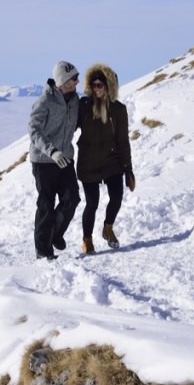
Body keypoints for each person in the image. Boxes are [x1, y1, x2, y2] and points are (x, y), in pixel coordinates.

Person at [76, 63, 133, 253]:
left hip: (111, 161)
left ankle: (108, 228)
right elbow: (68, 126)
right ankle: (87, 240)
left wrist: (128, 169)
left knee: (116, 197)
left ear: (109, 86)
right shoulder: (83, 106)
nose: (96, 88)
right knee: (92, 203)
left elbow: (123, 141)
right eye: (94, 85)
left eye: (100, 85)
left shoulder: (118, 110)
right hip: (88, 162)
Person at [28, 60, 81, 260]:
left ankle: (55, 234)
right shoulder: (45, 101)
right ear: (62, 80)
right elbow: (34, 131)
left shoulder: (75, 100)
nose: (77, 82)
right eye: (73, 78)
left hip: (65, 157)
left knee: (72, 199)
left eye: (77, 78)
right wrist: (52, 151)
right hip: (43, 160)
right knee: (46, 204)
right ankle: (43, 251)